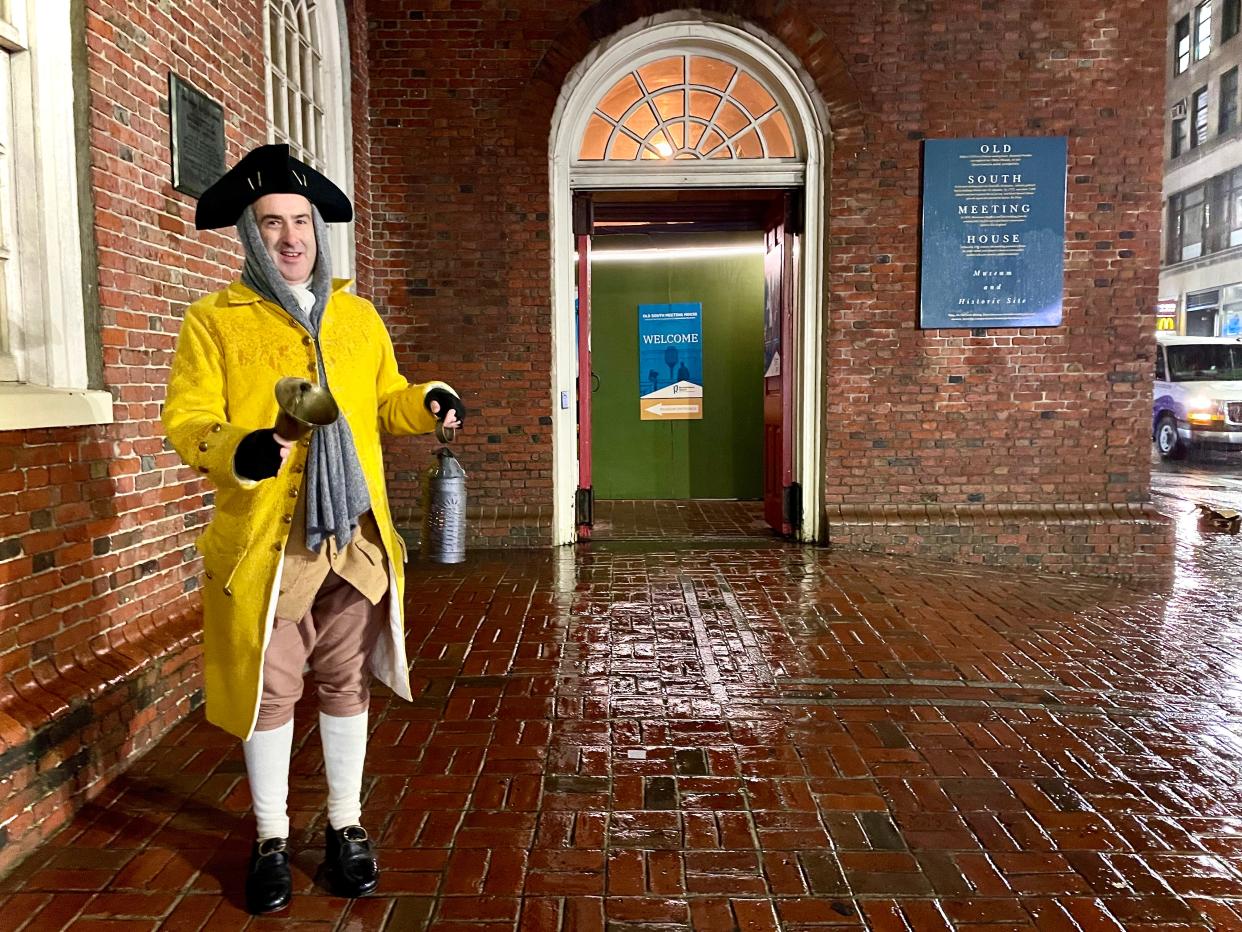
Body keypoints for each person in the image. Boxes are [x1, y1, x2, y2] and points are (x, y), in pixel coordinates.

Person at [162, 144, 464, 915]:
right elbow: (187, 420)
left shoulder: (357, 317)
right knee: (269, 692)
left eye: (301, 221)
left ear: (317, 230)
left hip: (354, 536)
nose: (291, 236)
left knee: (344, 681)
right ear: (248, 235)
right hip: (270, 543)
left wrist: (427, 397)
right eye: (272, 224)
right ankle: (269, 836)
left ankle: (346, 826)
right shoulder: (212, 321)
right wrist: (246, 447)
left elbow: (385, 398)